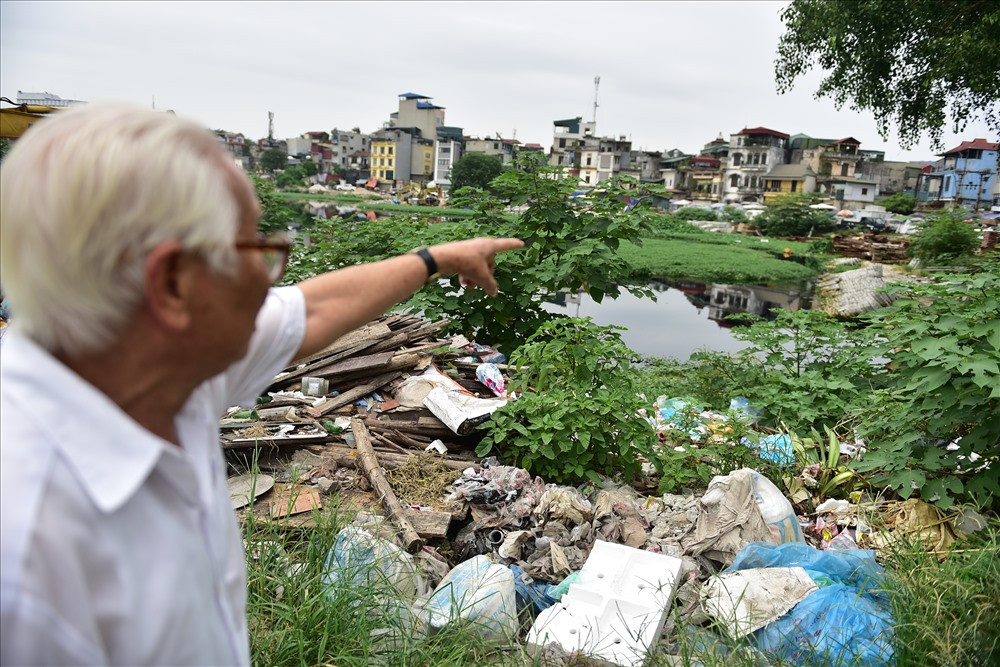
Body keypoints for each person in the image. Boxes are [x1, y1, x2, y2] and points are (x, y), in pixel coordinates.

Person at [0, 104, 522, 666]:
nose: (273, 277)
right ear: (172, 284)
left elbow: (313, 309)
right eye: (252, 249)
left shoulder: (152, 351)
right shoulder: (31, 563)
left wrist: (436, 259)